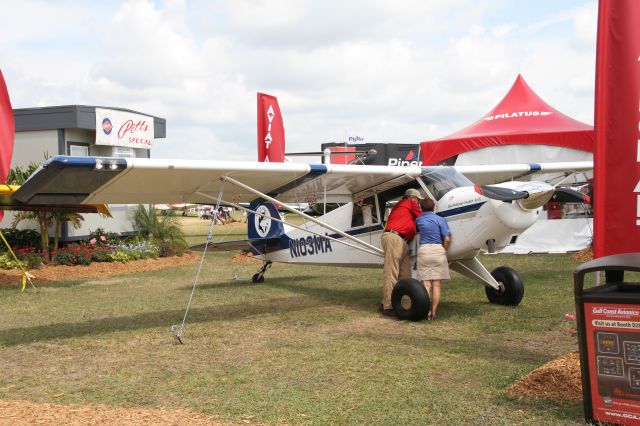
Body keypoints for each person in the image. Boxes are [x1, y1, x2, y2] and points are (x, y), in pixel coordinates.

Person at [380, 188, 424, 317]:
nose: (418, 203)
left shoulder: (403, 207)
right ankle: (387, 307)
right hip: (395, 238)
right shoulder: (409, 203)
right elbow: (422, 217)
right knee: (392, 272)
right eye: (418, 200)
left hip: (403, 241)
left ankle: (391, 303)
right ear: (412, 198)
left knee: (406, 276)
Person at [416, 197, 451, 320]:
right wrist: (444, 250)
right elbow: (447, 238)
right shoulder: (440, 219)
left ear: (421, 208)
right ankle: (433, 312)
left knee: (426, 283)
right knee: (436, 284)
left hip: (424, 250)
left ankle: (425, 311)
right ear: (434, 207)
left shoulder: (419, 220)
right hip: (437, 250)